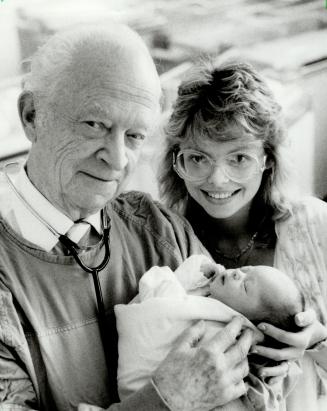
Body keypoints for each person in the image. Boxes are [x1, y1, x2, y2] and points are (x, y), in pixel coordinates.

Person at [0, 25, 256, 411]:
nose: (117, 159)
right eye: (94, 125)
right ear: (32, 115)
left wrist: (289, 343)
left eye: (134, 136)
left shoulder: (157, 229)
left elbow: (242, 367)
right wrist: (163, 400)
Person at [159, 59, 327, 411]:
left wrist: (316, 341)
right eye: (198, 158)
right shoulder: (164, 245)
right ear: (177, 162)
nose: (217, 180)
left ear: (267, 158)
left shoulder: (315, 226)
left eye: (238, 158)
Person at [113, 255, 304, 411]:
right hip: (146, 397)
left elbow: (161, 298)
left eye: (246, 286)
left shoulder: (232, 334)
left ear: (255, 326)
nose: (238, 273)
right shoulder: (210, 297)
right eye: (247, 269)